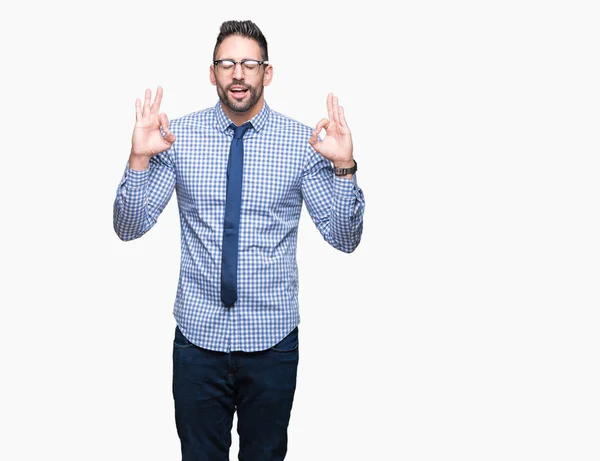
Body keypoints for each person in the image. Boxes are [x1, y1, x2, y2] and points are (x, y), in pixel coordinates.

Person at [113, 19, 365, 461]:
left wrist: (344, 168)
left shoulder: (304, 143)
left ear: (267, 73)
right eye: (227, 63)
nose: (238, 73)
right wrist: (138, 157)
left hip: (271, 343)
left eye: (249, 64)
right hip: (197, 342)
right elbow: (128, 226)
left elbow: (345, 239)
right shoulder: (177, 137)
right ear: (212, 73)